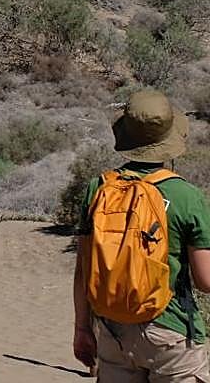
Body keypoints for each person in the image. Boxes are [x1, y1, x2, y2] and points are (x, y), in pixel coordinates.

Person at [72, 89, 210, 381]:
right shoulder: (186, 196)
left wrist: (82, 328)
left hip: (113, 333)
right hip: (172, 335)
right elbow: (205, 280)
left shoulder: (98, 189)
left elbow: (84, 270)